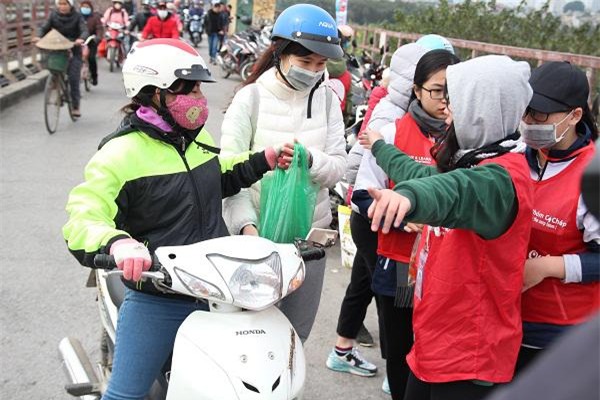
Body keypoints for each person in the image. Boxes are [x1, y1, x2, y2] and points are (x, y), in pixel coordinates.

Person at [62, 38, 292, 400]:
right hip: (159, 294)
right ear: (152, 93)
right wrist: (119, 243)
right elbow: (83, 215)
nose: (198, 99)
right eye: (186, 89)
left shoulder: (196, 139)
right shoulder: (119, 154)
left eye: (199, 88)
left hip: (220, 289)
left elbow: (219, 176)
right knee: (125, 395)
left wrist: (262, 158)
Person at [361, 55, 534, 400]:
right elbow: (426, 175)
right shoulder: (475, 160)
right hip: (435, 342)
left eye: (457, 102)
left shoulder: (501, 179)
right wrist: (381, 147)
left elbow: (450, 191)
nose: (447, 110)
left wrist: (407, 198)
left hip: (468, 358)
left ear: (481, 110)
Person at [329, 50, 460, 400]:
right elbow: (362, 196)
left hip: (449, 268)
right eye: (437, 90)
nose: (445, 100)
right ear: (416, 91)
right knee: (403, 343)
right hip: (404, 265)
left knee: (435, 346)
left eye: (453, 91)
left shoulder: (466, 139)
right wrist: (404, 219)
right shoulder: (390, 133)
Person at [219, 4, 347, 343]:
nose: (314, 71)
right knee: (249, 338)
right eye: (305, 62)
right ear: (280, 52)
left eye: (321, 64)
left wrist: (309, 161)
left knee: (293, 339)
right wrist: (247, 230)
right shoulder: (250, 100)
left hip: (310, 243)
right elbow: (229, 174)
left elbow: (338, 168)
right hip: (255, 243)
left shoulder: (328, 101)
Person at [516, 61, 600, 372]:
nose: (527, 121)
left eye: (538, 114)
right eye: (524, 110)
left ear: (575, 115)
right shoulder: (514, 155)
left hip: (560, 332)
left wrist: (552, 266)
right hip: (505, 321)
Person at [36, 0, 88, 117]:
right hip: (57, 49)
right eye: (60, 4)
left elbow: (84, 30)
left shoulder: (77, 16)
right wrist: (38, 36)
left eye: (65, 4)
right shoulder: (53, 15)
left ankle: (75, 105)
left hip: (73, 49)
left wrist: (80, 38)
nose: (62, 6)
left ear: (70, 5)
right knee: (52, 67)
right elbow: (44, 27)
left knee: (74, 78)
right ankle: (56, 84)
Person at [79, 0, 102, 86]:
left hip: (91, 41)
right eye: (83, 7)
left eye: (87, 7)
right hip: (79, 41)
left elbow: (99, 29)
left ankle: (94, 76)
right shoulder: (78, 17)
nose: (85, 9)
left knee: (91, 58)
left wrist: (97, 38)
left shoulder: (95, 17)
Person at [205, 0, 224, 64]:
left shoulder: (220, 15)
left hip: (216, 33)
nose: (218, 10)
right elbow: (205, 23)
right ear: (214, 7)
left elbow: (221, 23)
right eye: (218, 8)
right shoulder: (208, 14)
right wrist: (206, 31)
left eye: (219, 8)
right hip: (210, 33)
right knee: (210, 47)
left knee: (215, 46)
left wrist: (221, 30)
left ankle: (213, 59)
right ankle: (211, 57)